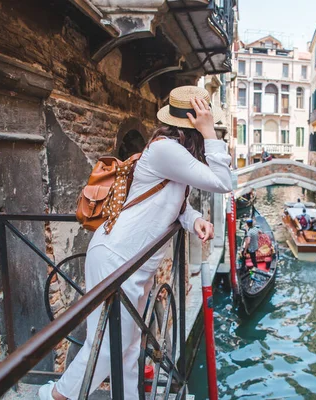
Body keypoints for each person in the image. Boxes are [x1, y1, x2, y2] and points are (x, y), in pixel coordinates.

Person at [39, 86, 232, 400]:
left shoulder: (174, 153)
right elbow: (223, 182)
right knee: (104, 346)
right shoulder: (166, 150)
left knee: (130, 348)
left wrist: (193, 218)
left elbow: (173, 201)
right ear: (194, 122)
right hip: (116, 256)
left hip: (135, 263)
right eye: (204, 121)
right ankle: (55, 397)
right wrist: (210, 132)